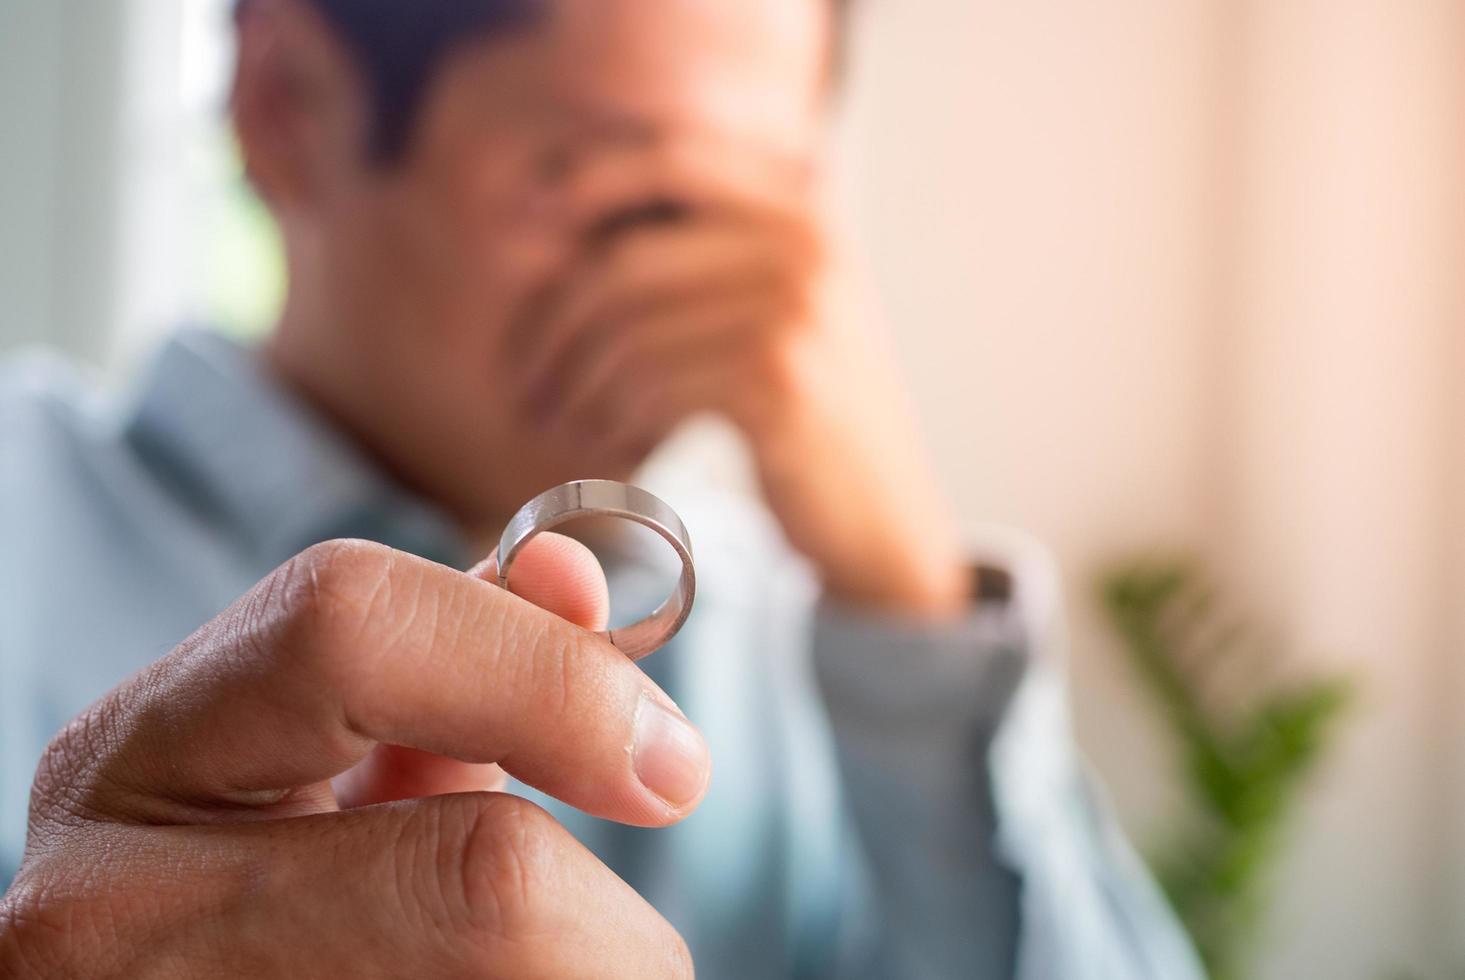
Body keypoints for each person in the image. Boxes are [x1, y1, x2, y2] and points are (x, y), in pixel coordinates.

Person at [0, 0, 1204, 977]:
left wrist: (906, 596)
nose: (706, 301)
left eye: (757, 215)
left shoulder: (809, 658)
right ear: (287, 108)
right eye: (594, 181)